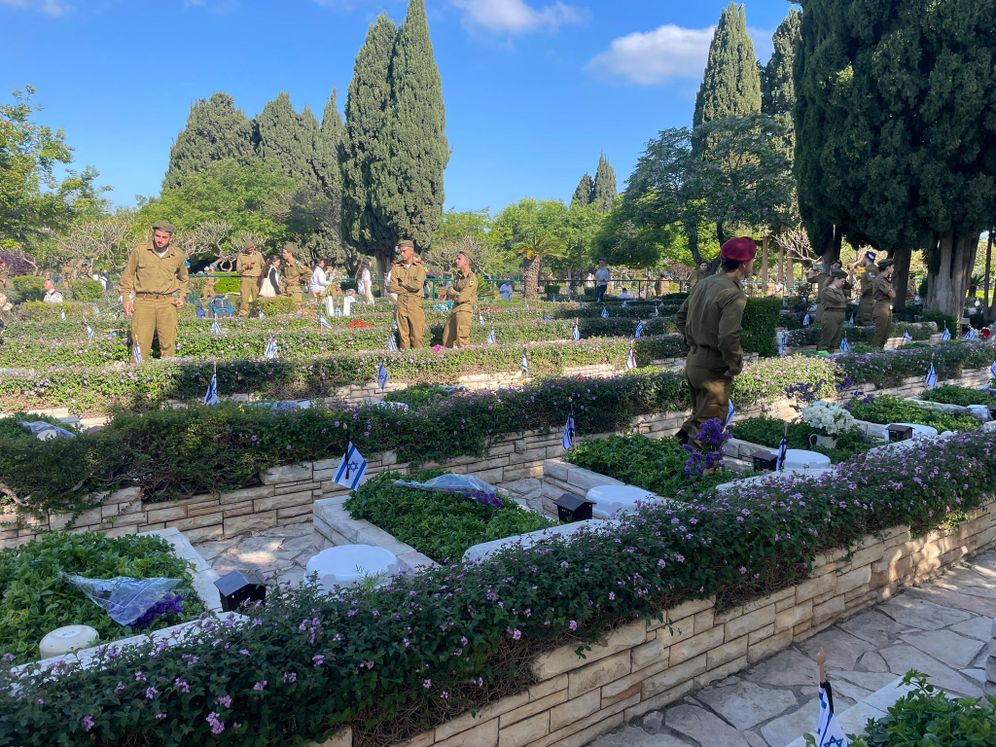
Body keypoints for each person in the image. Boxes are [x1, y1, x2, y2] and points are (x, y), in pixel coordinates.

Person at [675, 237, 755, 445]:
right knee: (707, 431)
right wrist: (734, 364)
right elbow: (728, 336)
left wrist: (695, 341)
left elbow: (680, 318)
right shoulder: (733, 294)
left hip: (694, 361)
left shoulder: (705, 283)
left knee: (698, 421)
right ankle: (698, 473)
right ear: (745, 264)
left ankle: (677, 459)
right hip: (714, 367)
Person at [117, 222, 188, 360]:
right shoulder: (140, 251)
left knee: (168, 342)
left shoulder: (178, 255)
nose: (160, 240)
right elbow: (127, 276)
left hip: (167, 303)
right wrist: (126, 299)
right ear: (153, 235)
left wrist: (182, 296)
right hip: (144, 302)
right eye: (157, 236)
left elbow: (183, 278)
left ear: (170, 238)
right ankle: (136, 375)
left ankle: (167, 376)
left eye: (164, 237)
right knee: (140, 342)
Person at [389, 239, 426, 350]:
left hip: (415, 304)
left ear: (411, 251)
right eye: (401, 251)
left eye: (404, 251)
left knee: (417, 336)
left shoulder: (419, 268)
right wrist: (408, 288)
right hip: (401, 303)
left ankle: (419, 360)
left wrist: (403, 284)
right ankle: (406, 360)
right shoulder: (396, 267)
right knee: (403, 337)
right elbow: (393, 287)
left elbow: (417, 286)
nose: (402, 253)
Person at [442, 250, 478, 348]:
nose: (456, 260)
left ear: (466, 261)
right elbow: (449, 290)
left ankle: (465, 362)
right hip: (455, 309)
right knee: (446, 338)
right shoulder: (458, 276)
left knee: (462, 340)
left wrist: (452, 292)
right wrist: (453, 292)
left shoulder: (471, 278)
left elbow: (462, 297)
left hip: (464, 310)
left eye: (459, 259)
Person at [818, 270, 849, 352]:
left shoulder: (838, 290)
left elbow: (843, 300)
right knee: (827, 337)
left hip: (840, 314)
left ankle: (830, 355)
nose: (843, 283)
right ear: (836, 279)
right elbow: (838, 300)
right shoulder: (827, 290)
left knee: (835, 340)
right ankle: (821, 355)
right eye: (842, 281)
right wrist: (836, 289)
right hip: (831, 314)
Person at [870, 258, 896, 347]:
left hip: (887, 306)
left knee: (886, 333)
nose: (893, 269)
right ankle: (874, 353)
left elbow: (893, 294)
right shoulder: (880, 279)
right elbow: (892, 294)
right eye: (892, 267)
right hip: (881, 307)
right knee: (880, 334)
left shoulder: (886, 279)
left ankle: (880, 352)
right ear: (887, 267)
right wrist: (891, 292)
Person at [236, 243, 264, 317]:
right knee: (244, 298)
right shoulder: (241, 256)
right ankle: (243, 314)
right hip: (245, 279)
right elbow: (238, 270)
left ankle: (257, 313)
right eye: (249, 248)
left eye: (252, 247)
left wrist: (263, 275)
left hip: (256, 279)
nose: (251, 249)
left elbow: (263, 265)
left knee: (257, 298)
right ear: (246, 249)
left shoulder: (258, 255)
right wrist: (246, 266)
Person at [855, 251, 877, 325]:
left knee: (866, 323)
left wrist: (863, 291)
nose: (862, 260)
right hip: (865, 301)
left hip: (868, 301)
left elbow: (873, 283)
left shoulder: (871, 269)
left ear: (866, 258)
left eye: (863, 258)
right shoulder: (870, 269)